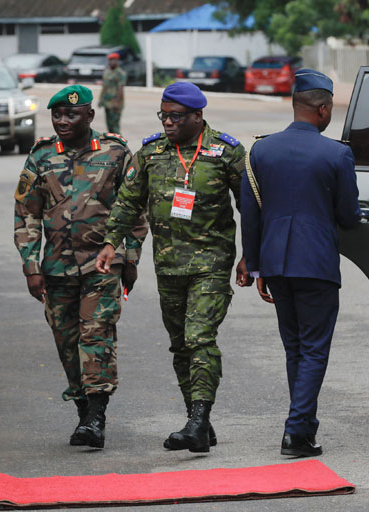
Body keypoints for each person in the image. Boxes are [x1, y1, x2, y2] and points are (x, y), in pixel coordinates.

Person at [96, 82, 252, 453]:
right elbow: (128, 201)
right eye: (163, 115)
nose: (167, 122)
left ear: (198, 116)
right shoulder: (150, 152)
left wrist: (253, 254)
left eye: (176, 116)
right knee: (180, 345)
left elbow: (252, 207)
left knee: (199, 338)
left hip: (211, 265)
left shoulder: (226, 152)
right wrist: (109, 243)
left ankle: (197, 420)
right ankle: (198, 420)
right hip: (168, 266)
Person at [14, 85, 147, 449]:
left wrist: (129, 258)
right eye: (57, 115)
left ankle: (96, 416)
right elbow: (26, 213)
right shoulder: (41, 156)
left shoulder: (116, 152)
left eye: (71, 115)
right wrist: (30, 265)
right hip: (56, 268)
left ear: (89, 116)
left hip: (103, 265)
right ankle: (83, 410)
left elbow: (136, 209)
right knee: (67, 341)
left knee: (96, 335)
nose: (62, 121)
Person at [240, 69, 361, 458]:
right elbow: (347, 215)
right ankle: (295, 432)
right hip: (315, 264)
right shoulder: (337, 153)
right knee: (313, 348)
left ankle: (304, 428)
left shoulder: (261, 150)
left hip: (275, 264)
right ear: (323, 109)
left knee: (295, 348)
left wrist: (255, 266)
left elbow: (251, 213)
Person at [99, 52, 127, 134]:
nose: (111, 62)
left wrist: (117, 103)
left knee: (115, 127)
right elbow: (104, 87)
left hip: (115, 103)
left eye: (113, 60)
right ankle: (112, 143)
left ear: (117, 61)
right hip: (107, 102)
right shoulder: (107, 72)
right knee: (109, 126)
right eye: (110, 60)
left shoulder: (121, 73)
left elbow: (120, 89)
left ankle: (120, 145)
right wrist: (101, 100)